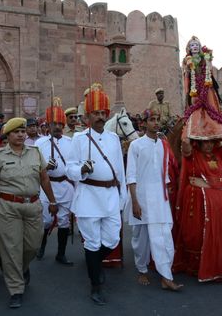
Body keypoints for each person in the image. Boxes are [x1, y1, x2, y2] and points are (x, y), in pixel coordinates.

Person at [0, 117, 58, 308]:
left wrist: (52, 200)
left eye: (23, 131)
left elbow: (44, 179)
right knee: (11, 248)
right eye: (16, 132)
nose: (21, 134)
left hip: (32, 205)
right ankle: (16, 289)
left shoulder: (35, 152)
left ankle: (21, 267)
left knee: (32, 245)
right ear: (7, 135)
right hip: (7, 208)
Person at [67, 83, 127, 305]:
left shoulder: (113, 139)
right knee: (92, 243)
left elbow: (120, 169)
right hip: (89, 196)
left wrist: (122, 197)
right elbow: (69, 169)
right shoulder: (79, 139)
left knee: (112, 239)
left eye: (103, 113)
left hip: (111, 196)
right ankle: (96, 284)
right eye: (96, 113)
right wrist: (82, 169)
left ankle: (93, 264)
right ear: (88, 117)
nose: (100, 117)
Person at [126, 109, 182, 291]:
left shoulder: (164, 145)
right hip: (141, 199)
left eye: (158, 120)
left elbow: (165, 175)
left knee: (164, 237)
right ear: (143, 123)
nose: (156, 123)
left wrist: (167, 198)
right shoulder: (136, 145)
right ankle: (142, 269)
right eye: (152, 120)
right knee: (140, 240)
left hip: (160, 199)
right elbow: (131, 176)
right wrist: (135, 202)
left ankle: (166, 276)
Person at [173, 134, 222, 282]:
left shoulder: (218, 153)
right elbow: (185, 143)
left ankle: (213, 266)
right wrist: (193, 124)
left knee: (215, 232)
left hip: (216, 203)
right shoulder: (192, 154)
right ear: (198, 143)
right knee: (195, 233)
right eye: (205, 142)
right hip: (197, 200)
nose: (208, 145)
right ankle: (195, 266)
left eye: (211, 142)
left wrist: (220, 120)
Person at [35, 101, 75, 265]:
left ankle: (61, 253)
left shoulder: (71, 142)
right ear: (48, 125)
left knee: (64, 221)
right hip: (47, 186)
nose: (57, 127)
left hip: (65, 186)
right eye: (54, 124)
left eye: (60, 124)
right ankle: (41, 247)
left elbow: (74, 165)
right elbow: (34, 167)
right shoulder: (39, 144)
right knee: (46, 220)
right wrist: (44, 167)